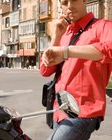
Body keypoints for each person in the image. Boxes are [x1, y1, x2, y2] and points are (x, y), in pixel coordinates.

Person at [40, 0, 112, 140]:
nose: (70, 6)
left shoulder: (103, 26)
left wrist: (66, 52)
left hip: (84, 111)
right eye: (65, 2)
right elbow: (45, 70)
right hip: (60, 109)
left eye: (74, 0)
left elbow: (109, 49)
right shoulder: (65, 34)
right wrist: (56, 37)